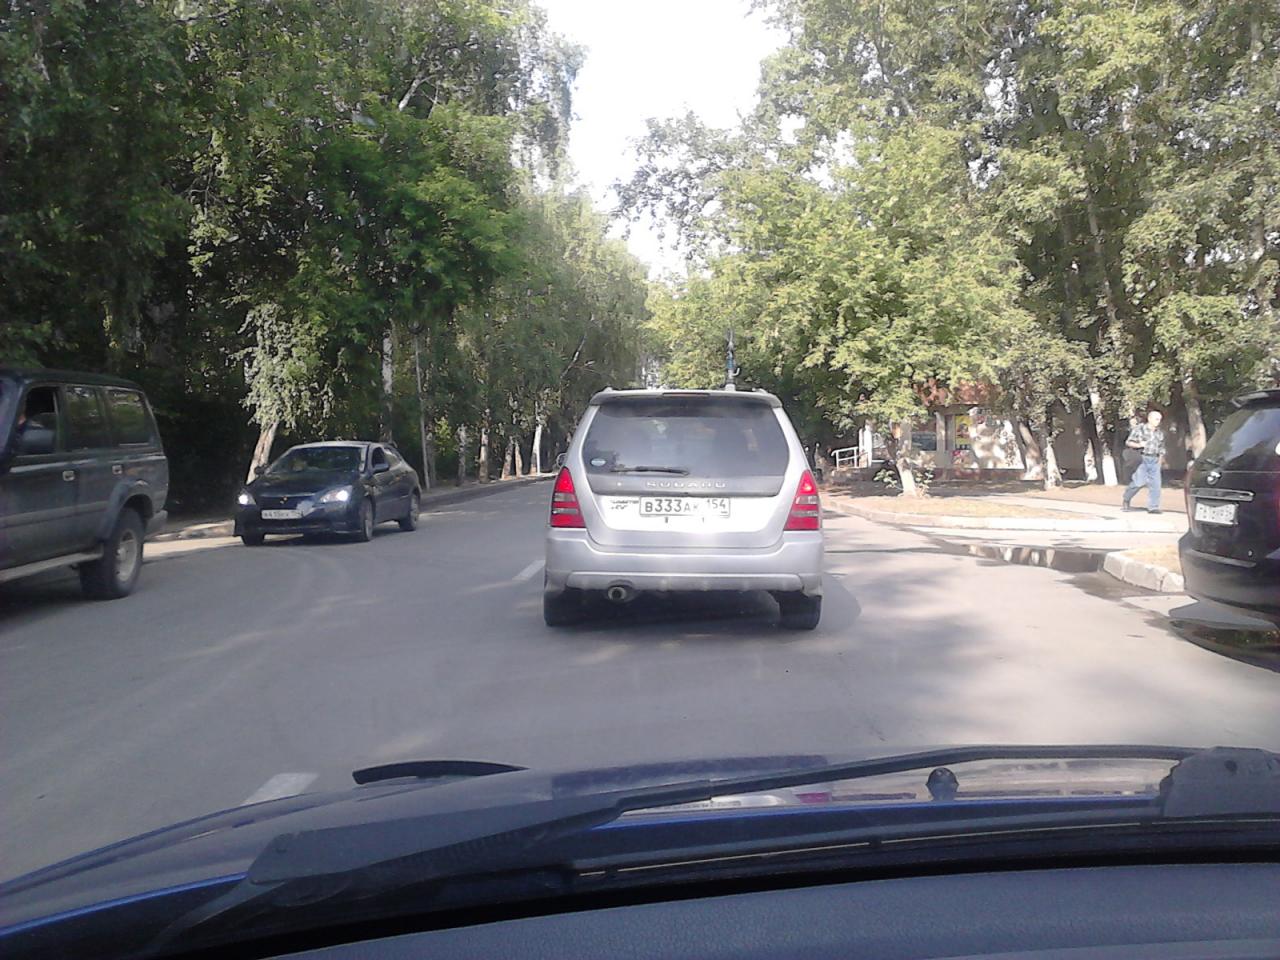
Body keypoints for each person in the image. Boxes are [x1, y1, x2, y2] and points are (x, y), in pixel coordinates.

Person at [1122, 409, 1166, 514]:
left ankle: (1153, 507)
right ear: (1149, 419)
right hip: (1142, 458)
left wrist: (1160, 461)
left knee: (1156, 484)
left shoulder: (1159, 433)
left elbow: (1161, 447)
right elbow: (1128, 442)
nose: (1158, 421)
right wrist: (1139, 445)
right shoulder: (1140, 429)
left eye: (1159, 419)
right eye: (1156, 419)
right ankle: (1127, 498)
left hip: (1154, 460)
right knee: (1139, 482)